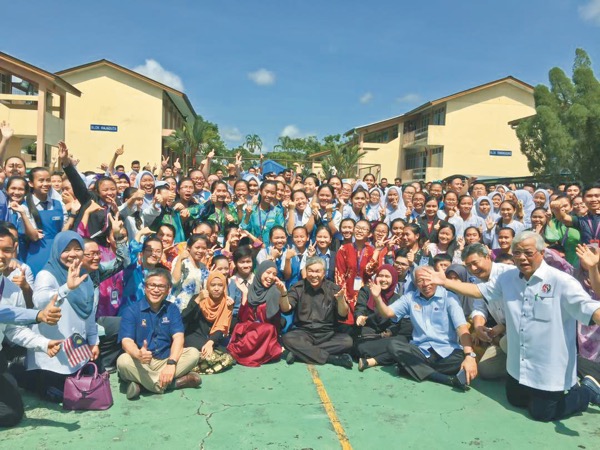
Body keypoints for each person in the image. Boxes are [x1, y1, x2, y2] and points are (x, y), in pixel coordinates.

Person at [425, 231, 600, 421]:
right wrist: (444, 282)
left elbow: (589, 308)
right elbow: (477, 291)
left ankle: (587, 391)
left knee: (542, 413)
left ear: (542, 253)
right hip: (518, 365)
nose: (522, 257)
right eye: (517, 253)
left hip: (547, 366)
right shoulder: (507, 278)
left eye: (528, 252)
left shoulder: (561, 281)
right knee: (515, 400)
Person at [373, 267, 477, 390]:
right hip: (420, 350)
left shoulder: (449, 297)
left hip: (447, 352)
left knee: (462, 359)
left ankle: (411, 368)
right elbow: (387, 313)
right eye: (420, 280)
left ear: (436, 279)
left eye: (428, 279)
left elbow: (462, 328)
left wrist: (469, 356)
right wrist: (377, 298)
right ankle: (445, 379)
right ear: (415, 283)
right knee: (394, 346)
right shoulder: (410, 298)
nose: (425, 284)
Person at [0, 225, 63, 427]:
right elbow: (4, 313)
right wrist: (37, 315)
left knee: (12, 414)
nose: (1, 255)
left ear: (14, 250)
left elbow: (14, 329)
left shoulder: (12, 289)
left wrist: (43, 344)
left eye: (6, 250)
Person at [27, 231, 99, 402]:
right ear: (57, 251)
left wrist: (93, 341)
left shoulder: (84, 277)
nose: (72, 254)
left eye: (77, 249)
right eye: (66, 250)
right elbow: (39, 300)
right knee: (57, 394)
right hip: (52, 352)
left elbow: (89, 313)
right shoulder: (47, 274)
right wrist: (66, 288)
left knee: (83, 390)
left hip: (76, 349)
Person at [117, 268, 201, 400]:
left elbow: (178, 337)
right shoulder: (131, 310)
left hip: (165, 360)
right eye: (152, 285)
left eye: (161, 286)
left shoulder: (172, 309)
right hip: (142, 362)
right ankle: (172, 383)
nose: (156, 290)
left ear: (168, 289)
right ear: (145, 287)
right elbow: (126, 341)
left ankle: (143, 385)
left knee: (193, 354)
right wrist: (138, 354)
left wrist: (171, 364)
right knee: (123, 361)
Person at [281, 257, 354, 368]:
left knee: (347, 342)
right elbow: (286, 308)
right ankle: (331, 359)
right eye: (310, 271)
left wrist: (340, 300)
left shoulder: (333, 289)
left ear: (324, 273)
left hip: (327, 334)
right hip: (304, 333)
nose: (314, 275)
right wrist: (283, 294)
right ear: (306, 271)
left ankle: (300, 353)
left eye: (317, 271)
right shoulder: (297, 288)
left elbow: (343, 314)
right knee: (287, 339)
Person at [354, 265, 413, 371]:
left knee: (403, 341)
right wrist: (360, 317)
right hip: (367, 336)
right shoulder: (366, 291)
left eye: (387, 276)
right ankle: (387, 358)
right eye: (380, 276)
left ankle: (372, 361)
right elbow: (360, 307)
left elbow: (397, 323)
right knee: (361, 348)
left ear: (393, 279)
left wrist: (390, 331)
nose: (383, 279)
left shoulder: (397, 299)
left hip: (386, 339)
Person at [227, 260, 284, 367]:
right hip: (250, 329)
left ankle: (243, 355)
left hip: (266, 333)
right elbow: (243, 318)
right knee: (244, 330)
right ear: (260, 272)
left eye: (274, 274)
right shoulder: (251, 289)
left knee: (267, 329)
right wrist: (245, 294)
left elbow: (274, 319)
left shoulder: (275, 292)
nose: (270, 277)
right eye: (268, 272)